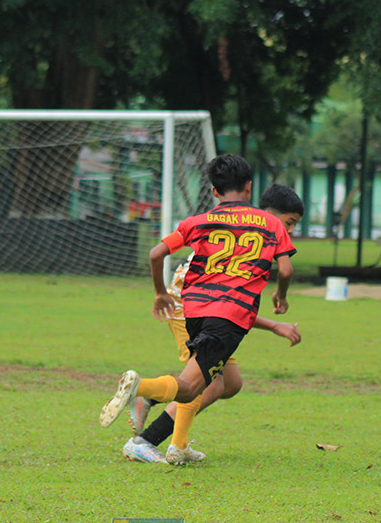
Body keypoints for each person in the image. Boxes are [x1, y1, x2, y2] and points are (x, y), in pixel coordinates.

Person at [99, 155, 295, 466]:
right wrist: (281, 297)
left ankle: (178, 445)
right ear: (249, 186)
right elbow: (284, 270)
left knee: (226, 383)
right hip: (228, 316)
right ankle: (144, 391)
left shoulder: (197, 221)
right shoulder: (270, 224)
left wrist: (159, 293)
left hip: (194, 309)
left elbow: (156, 253)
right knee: (191, 386)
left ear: (215, 191)